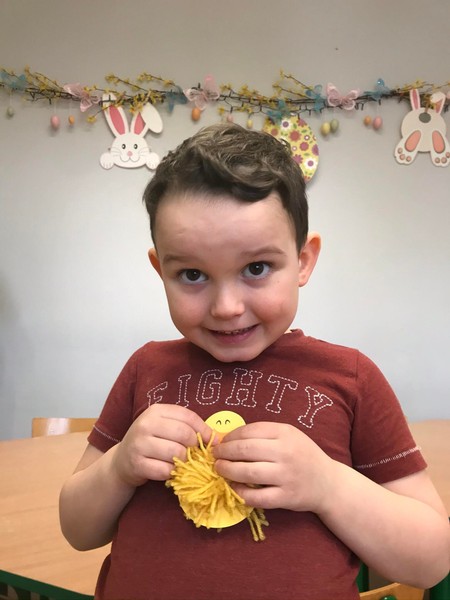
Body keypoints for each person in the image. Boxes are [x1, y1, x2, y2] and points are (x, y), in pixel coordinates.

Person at [59, 123, 449, 600]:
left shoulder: (350, 377)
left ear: (303, 261)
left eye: (257, 268)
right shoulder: (146, 368)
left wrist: (327, 484)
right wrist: (119, 467)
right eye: (192, 274)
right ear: (161, 270)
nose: (226, 307)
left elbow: (431, 561)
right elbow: (77, 529)